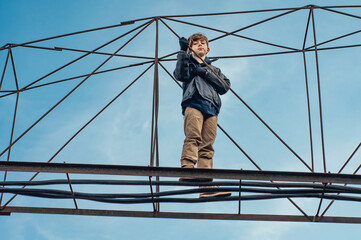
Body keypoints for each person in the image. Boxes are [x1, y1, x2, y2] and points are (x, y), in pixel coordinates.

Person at [173, 33, 231, 198]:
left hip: (211, 108)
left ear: (208, 48)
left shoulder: (214, 69)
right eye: (195, 43)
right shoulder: (188, 63)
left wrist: (205, 72)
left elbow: (225, 86)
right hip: (194, 102)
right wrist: (183, 53)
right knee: (193, 137)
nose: (199, 45)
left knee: (207, 146)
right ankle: (188, 168)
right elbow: (180, 75)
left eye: (202, 43)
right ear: (191, 48)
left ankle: (206, 186)